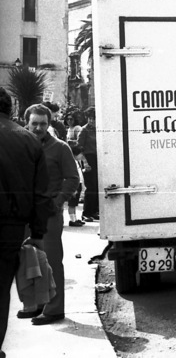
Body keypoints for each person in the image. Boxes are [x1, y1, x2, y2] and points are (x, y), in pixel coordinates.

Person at [0, 88, 52, 355]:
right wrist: (38, 233)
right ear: (11, 109)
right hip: (9, 231)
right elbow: (41, 194)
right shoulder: (28, 141)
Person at [21, 104, 80, 325]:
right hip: (25, 214)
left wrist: (56, 203)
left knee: (51, 261)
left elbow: (72, 178)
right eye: (34, 123)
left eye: (43, 124)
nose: (38, 128)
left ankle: (55, 310)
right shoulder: (21, 145)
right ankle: (37, 304)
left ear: (49, 124)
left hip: (48, 216)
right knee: (30, 261)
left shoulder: (60, 148)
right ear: (27, 122)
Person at [78, 107, 99, 221]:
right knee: (90, 187)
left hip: (97, 159)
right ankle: (86, 213)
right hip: (88, 159)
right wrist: (85, 163)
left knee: (96, 186)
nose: (91, 121)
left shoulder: (98, 129)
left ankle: (94, 211)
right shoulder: (84, 130)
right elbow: (79, 148)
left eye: (94, 119)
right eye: (90, 118)